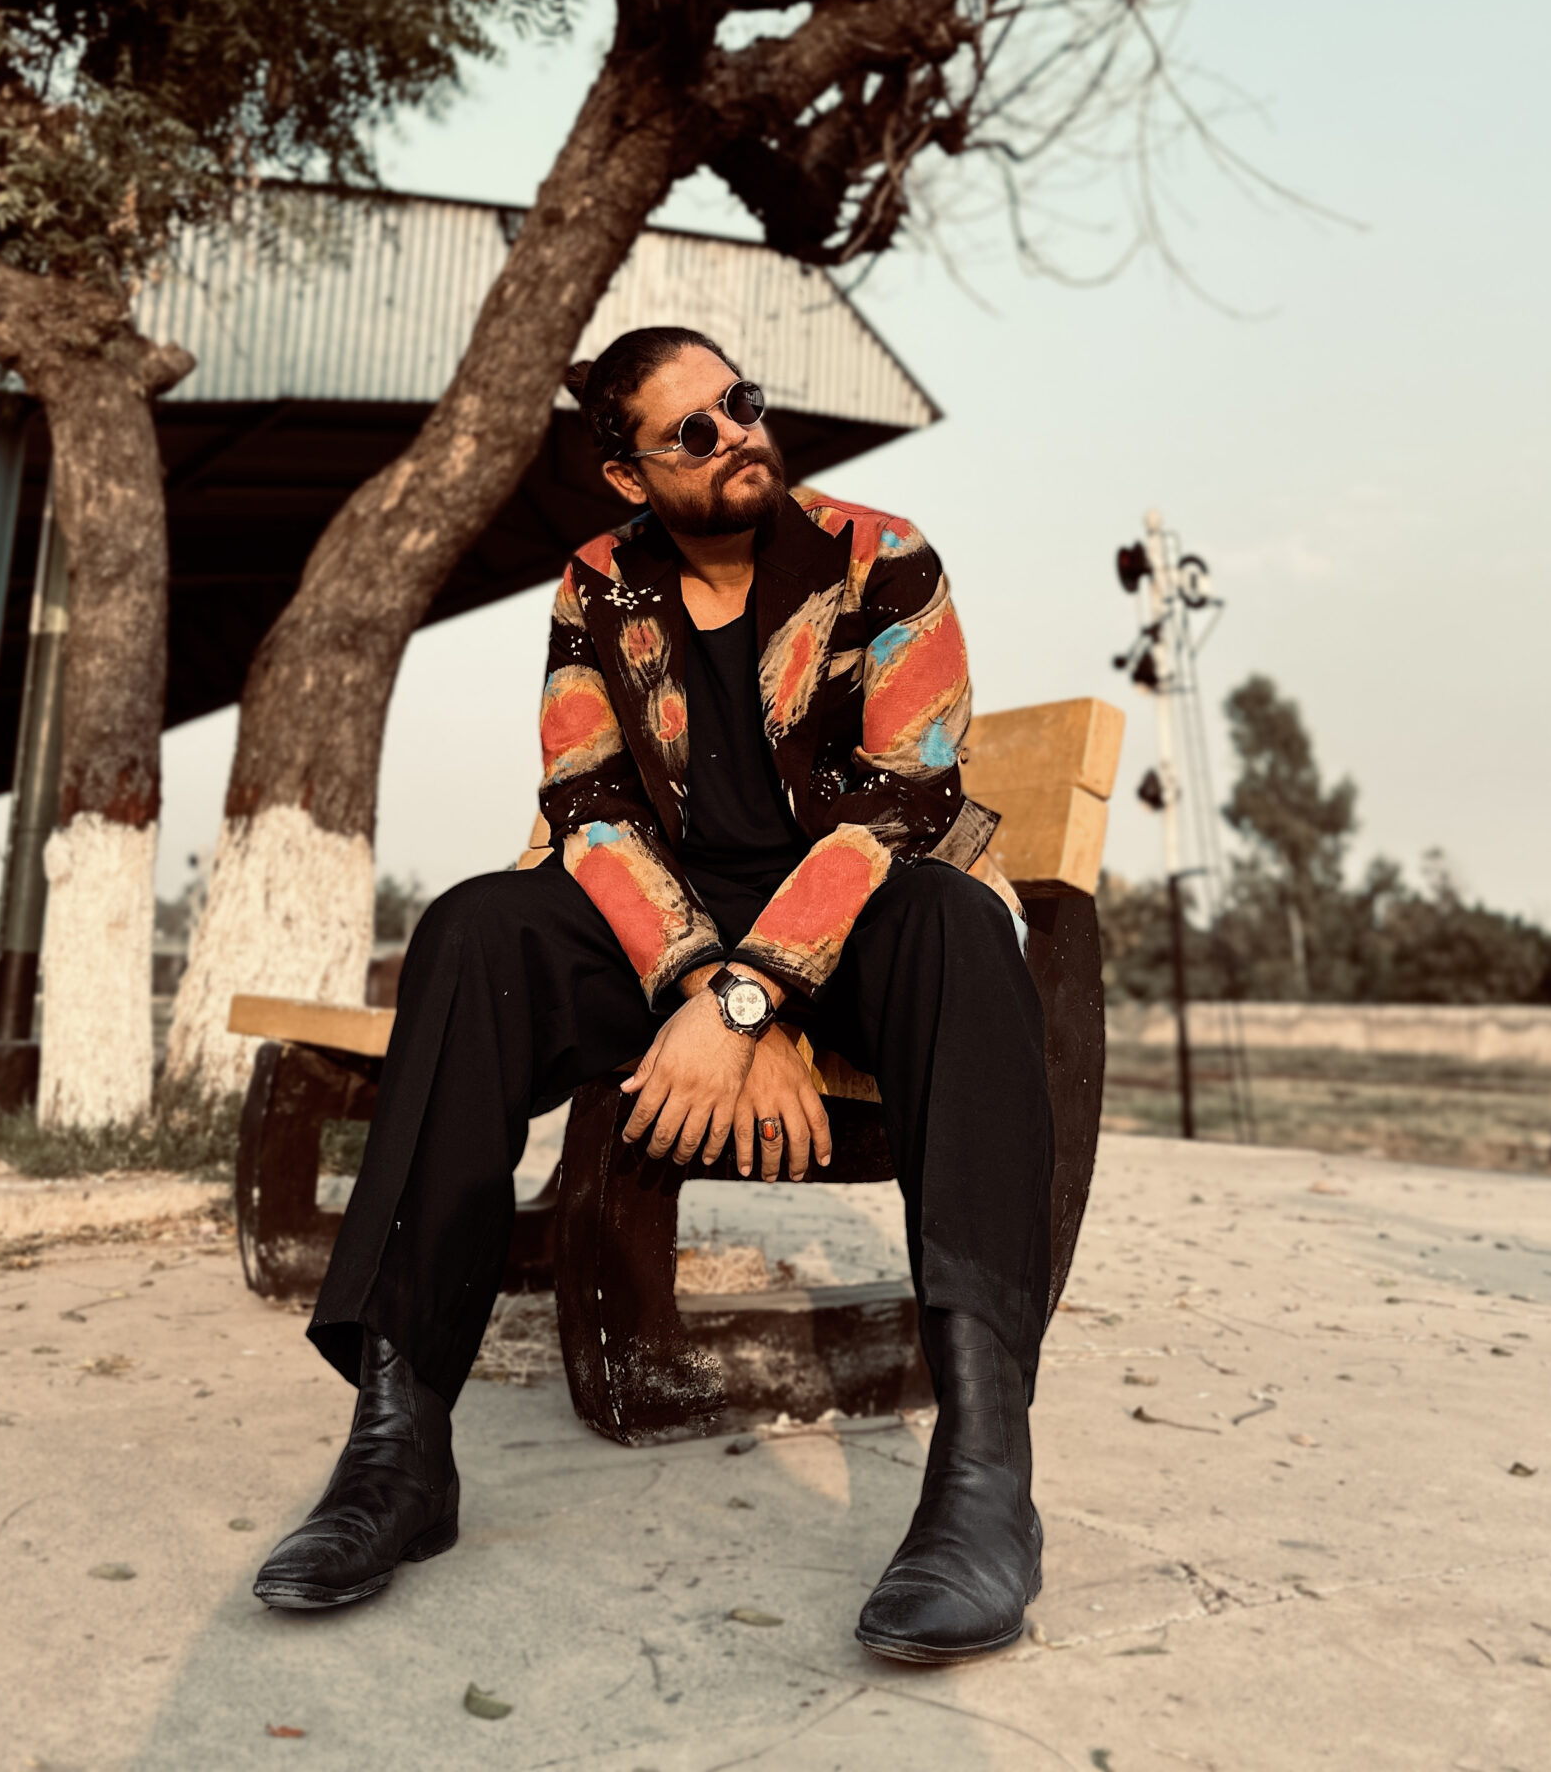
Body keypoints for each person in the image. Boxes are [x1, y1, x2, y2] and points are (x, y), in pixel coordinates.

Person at [253, 328, 1054, 1662]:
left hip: (855, 916)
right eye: (692, 430)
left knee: (962, 930)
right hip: (665, 940)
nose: (736, 434)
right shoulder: (599, 585)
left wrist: (752, 1000)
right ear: (629, 476)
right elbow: (590, 804)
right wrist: (697, 985)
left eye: (739, 403)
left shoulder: (880, 556)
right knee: (474, 932)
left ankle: (985, 1486)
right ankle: (398, 1450)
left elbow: (901, 801)